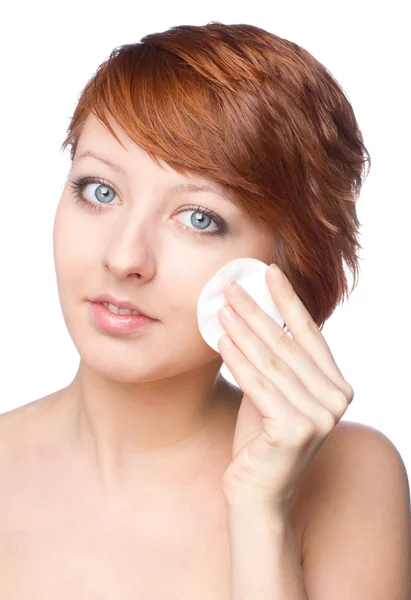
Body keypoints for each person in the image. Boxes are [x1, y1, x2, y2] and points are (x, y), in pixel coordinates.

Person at [0, 21, 409, 599]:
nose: (124, 258)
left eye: (199, 218)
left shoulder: (352, 476)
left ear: (287, 269)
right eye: (100, 190)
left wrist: (260, 511)